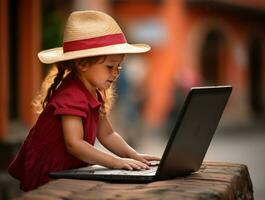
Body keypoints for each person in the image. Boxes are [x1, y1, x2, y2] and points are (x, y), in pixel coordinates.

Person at [8, 10, 160, 191]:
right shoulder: (71, 95)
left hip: (69, 173)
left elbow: (107, 134)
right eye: (110, 66)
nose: (116, 73)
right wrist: (115, 162)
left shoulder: (95, 92)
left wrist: (135, 156)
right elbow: (74, 143)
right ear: (82, 64)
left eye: (118, 66)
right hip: (49, 177)